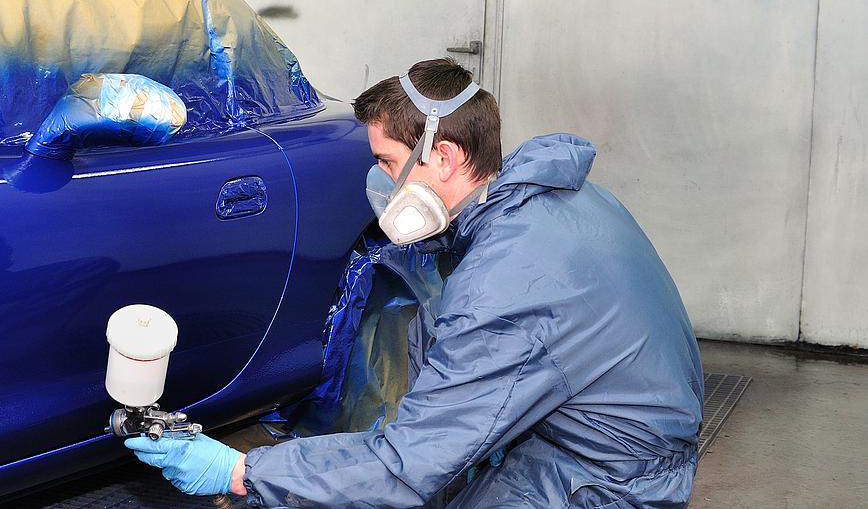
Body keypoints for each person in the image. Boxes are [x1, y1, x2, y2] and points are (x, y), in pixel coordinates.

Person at [125, 58, 704, 508]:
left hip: (601, 484)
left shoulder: (508, 282)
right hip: (590, 448)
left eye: (384, 161)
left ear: (444, 157)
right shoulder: (558, 203)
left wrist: (239, 471)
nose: (379, 182)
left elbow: (406, 465)